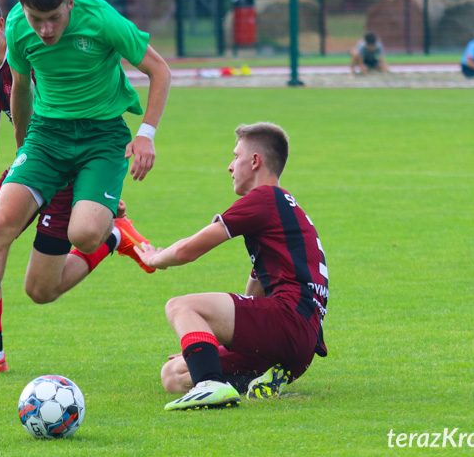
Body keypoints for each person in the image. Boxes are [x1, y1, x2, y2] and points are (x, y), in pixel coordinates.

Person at [0, 0, 159, 372]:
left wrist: (96, 190)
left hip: (73, 162)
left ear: (0, 26)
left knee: (41, 289)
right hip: (37, 154)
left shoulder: (41, 56)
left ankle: (112, 233)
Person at [134, 122, 329, 411]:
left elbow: (189, 249)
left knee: (180, 306)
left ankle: (209, 385)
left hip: (289, 321)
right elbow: (256, 291)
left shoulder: (264, 198)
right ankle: (262, 381)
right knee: (174, 375)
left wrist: (153, 259)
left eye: (235, 156)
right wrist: (204, 343)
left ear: (254, 161)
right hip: (298, 344)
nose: (230, 166)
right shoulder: (284, 210)